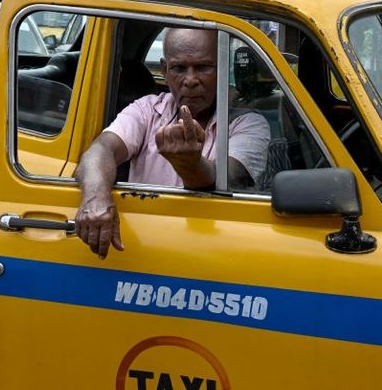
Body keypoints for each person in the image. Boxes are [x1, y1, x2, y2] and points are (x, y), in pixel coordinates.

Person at [74, 27, 270, 258]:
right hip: (143, 246)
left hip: (212, 250)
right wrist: (96, 197)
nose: (190, 80)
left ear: (221, 70)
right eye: (179, 68)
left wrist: (189, 164)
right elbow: (101, 149)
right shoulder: (147, 109)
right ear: (165, 71)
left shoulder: (248, 124)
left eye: (203, 67)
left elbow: (227, 178)